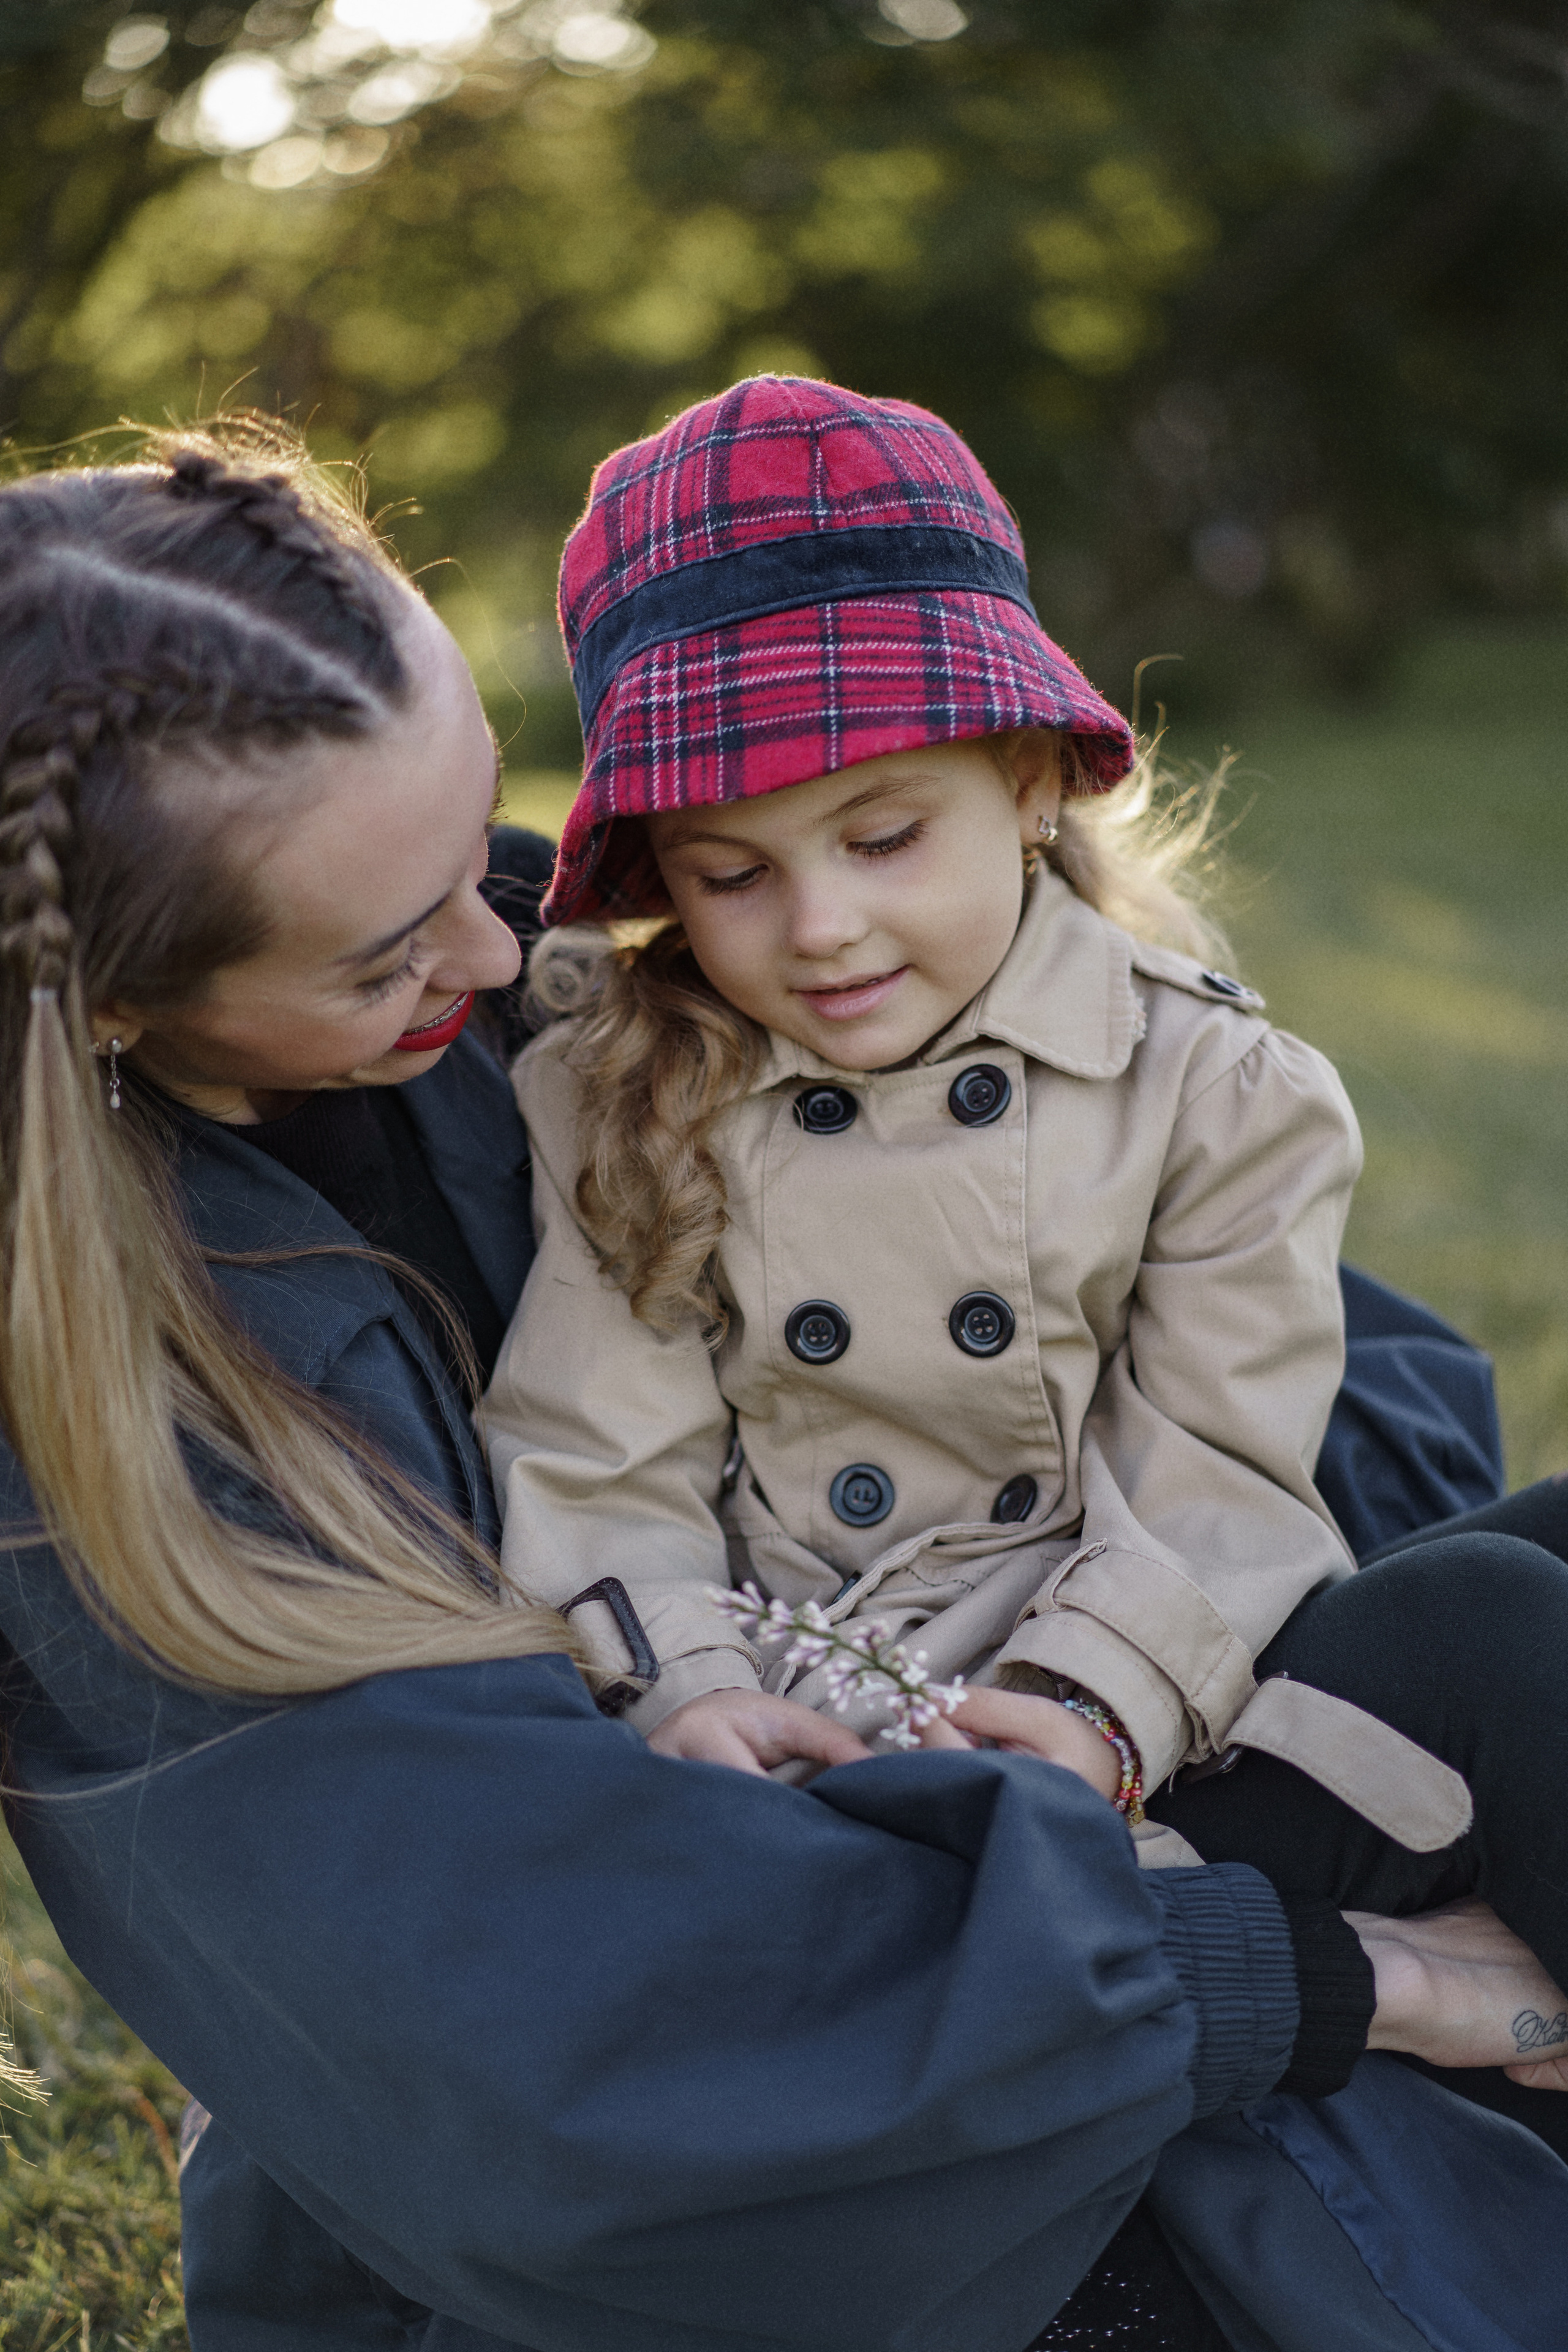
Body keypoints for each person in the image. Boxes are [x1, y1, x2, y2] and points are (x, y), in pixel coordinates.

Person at [0, 424, 1562, 2352]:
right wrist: (1334, 1972)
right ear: (127, 1011)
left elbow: (1360, 1388)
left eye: (510, 832)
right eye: (397, 950)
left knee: (1516, 1599)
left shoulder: (577, 987)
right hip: (782, 2112)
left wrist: (1117, 1671)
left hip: (1068, 1794)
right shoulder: (160, 1419)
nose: (512, 954)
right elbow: (599, 2033)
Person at [483, 373, 1568, 2152]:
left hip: (1156, 1705)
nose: (821, 927)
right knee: (1487, 1622)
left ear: (1033, 778)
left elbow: (1221, 1472)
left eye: (885, 835)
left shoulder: (1215, 1086)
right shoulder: (627, 1095)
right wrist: (694, 1694)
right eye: (731, 872)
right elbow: (595, 1460)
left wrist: (1084, 1706)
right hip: (851, 1757)